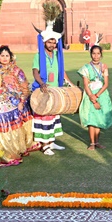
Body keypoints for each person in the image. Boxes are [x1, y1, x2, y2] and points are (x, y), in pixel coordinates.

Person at [31, 23, 72, 156]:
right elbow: (35, 72)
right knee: (44, 118)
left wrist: (70, 83)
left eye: (54, 42)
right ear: (44, 42)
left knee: (54, 117)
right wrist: (42, 83)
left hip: (55, 91)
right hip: (43, 91)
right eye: (50, 41)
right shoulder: (38, 56)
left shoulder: (56, 56)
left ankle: (52, 142)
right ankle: (45, 146)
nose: (52, 45)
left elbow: (61, 71)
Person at [78, 45, 112, 150]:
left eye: (98, 53)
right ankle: (92, 143)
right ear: (90, 54)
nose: (96, 56)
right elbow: (85, 84)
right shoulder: (85, 68)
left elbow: (106, 84)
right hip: (90, 94)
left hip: (101, 94)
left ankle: (97, 142)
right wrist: (92, 97)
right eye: (94, 53)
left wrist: (97, 96)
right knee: (91, 119)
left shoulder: (104, 67)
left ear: (101, 54)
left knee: (99, 118)